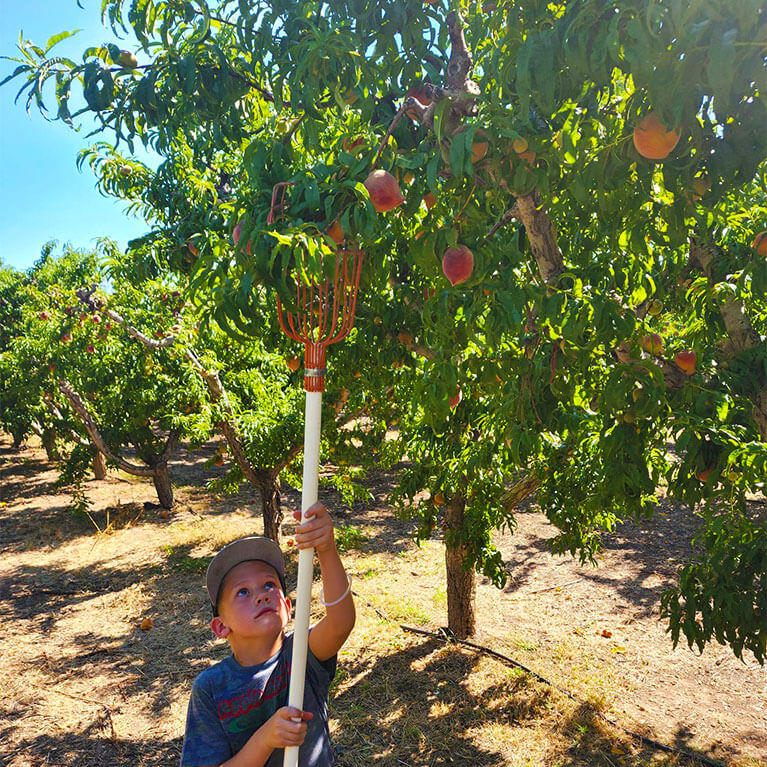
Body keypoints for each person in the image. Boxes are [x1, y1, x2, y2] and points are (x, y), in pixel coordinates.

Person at [180, 502, 355, 767]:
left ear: (287, 607)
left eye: (269, 585)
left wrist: (327, 549)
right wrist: (264, 739)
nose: (261, 595)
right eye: (243, 592)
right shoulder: (210, 689)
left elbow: (341, 623)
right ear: (220, 627)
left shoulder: (302, 653)